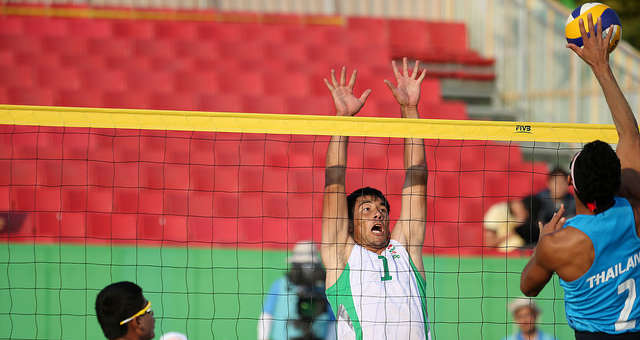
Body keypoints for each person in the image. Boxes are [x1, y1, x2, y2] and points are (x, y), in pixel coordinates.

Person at [520, 13, 640, 339]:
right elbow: (630, 134)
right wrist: (601, 66)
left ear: (572, 187)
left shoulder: (558, 244)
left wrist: (542, 244)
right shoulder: (633, 208)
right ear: (617, 182)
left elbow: (527, 287)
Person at [321, 57, 431, 339]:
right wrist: (342, 120)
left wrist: (410, 110)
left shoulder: (404, 249)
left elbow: (417, 177)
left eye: (382, 208)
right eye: (366, 208)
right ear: (349, 223)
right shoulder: (342, 254)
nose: (378, 213)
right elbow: (334, 184)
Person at [258, 241, 335, 340]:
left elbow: (332, 322)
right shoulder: (280, 285)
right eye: (303, 264)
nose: (306, 269)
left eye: (309, 264)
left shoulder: (324, 289)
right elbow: (266, 316)